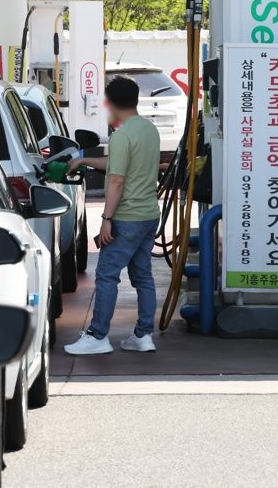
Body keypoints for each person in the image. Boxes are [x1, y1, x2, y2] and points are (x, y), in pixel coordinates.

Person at [63, 77, 161, 355]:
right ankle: (143, 336)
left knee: (106, 276)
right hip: (148, 215)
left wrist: (106, 219)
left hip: (126, 217)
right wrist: (83, 160)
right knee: (143, 276)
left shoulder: (121, 135)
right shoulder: (147, 130)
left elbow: (117, 179)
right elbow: (118, 164)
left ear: (109, 104)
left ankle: (97, 336)